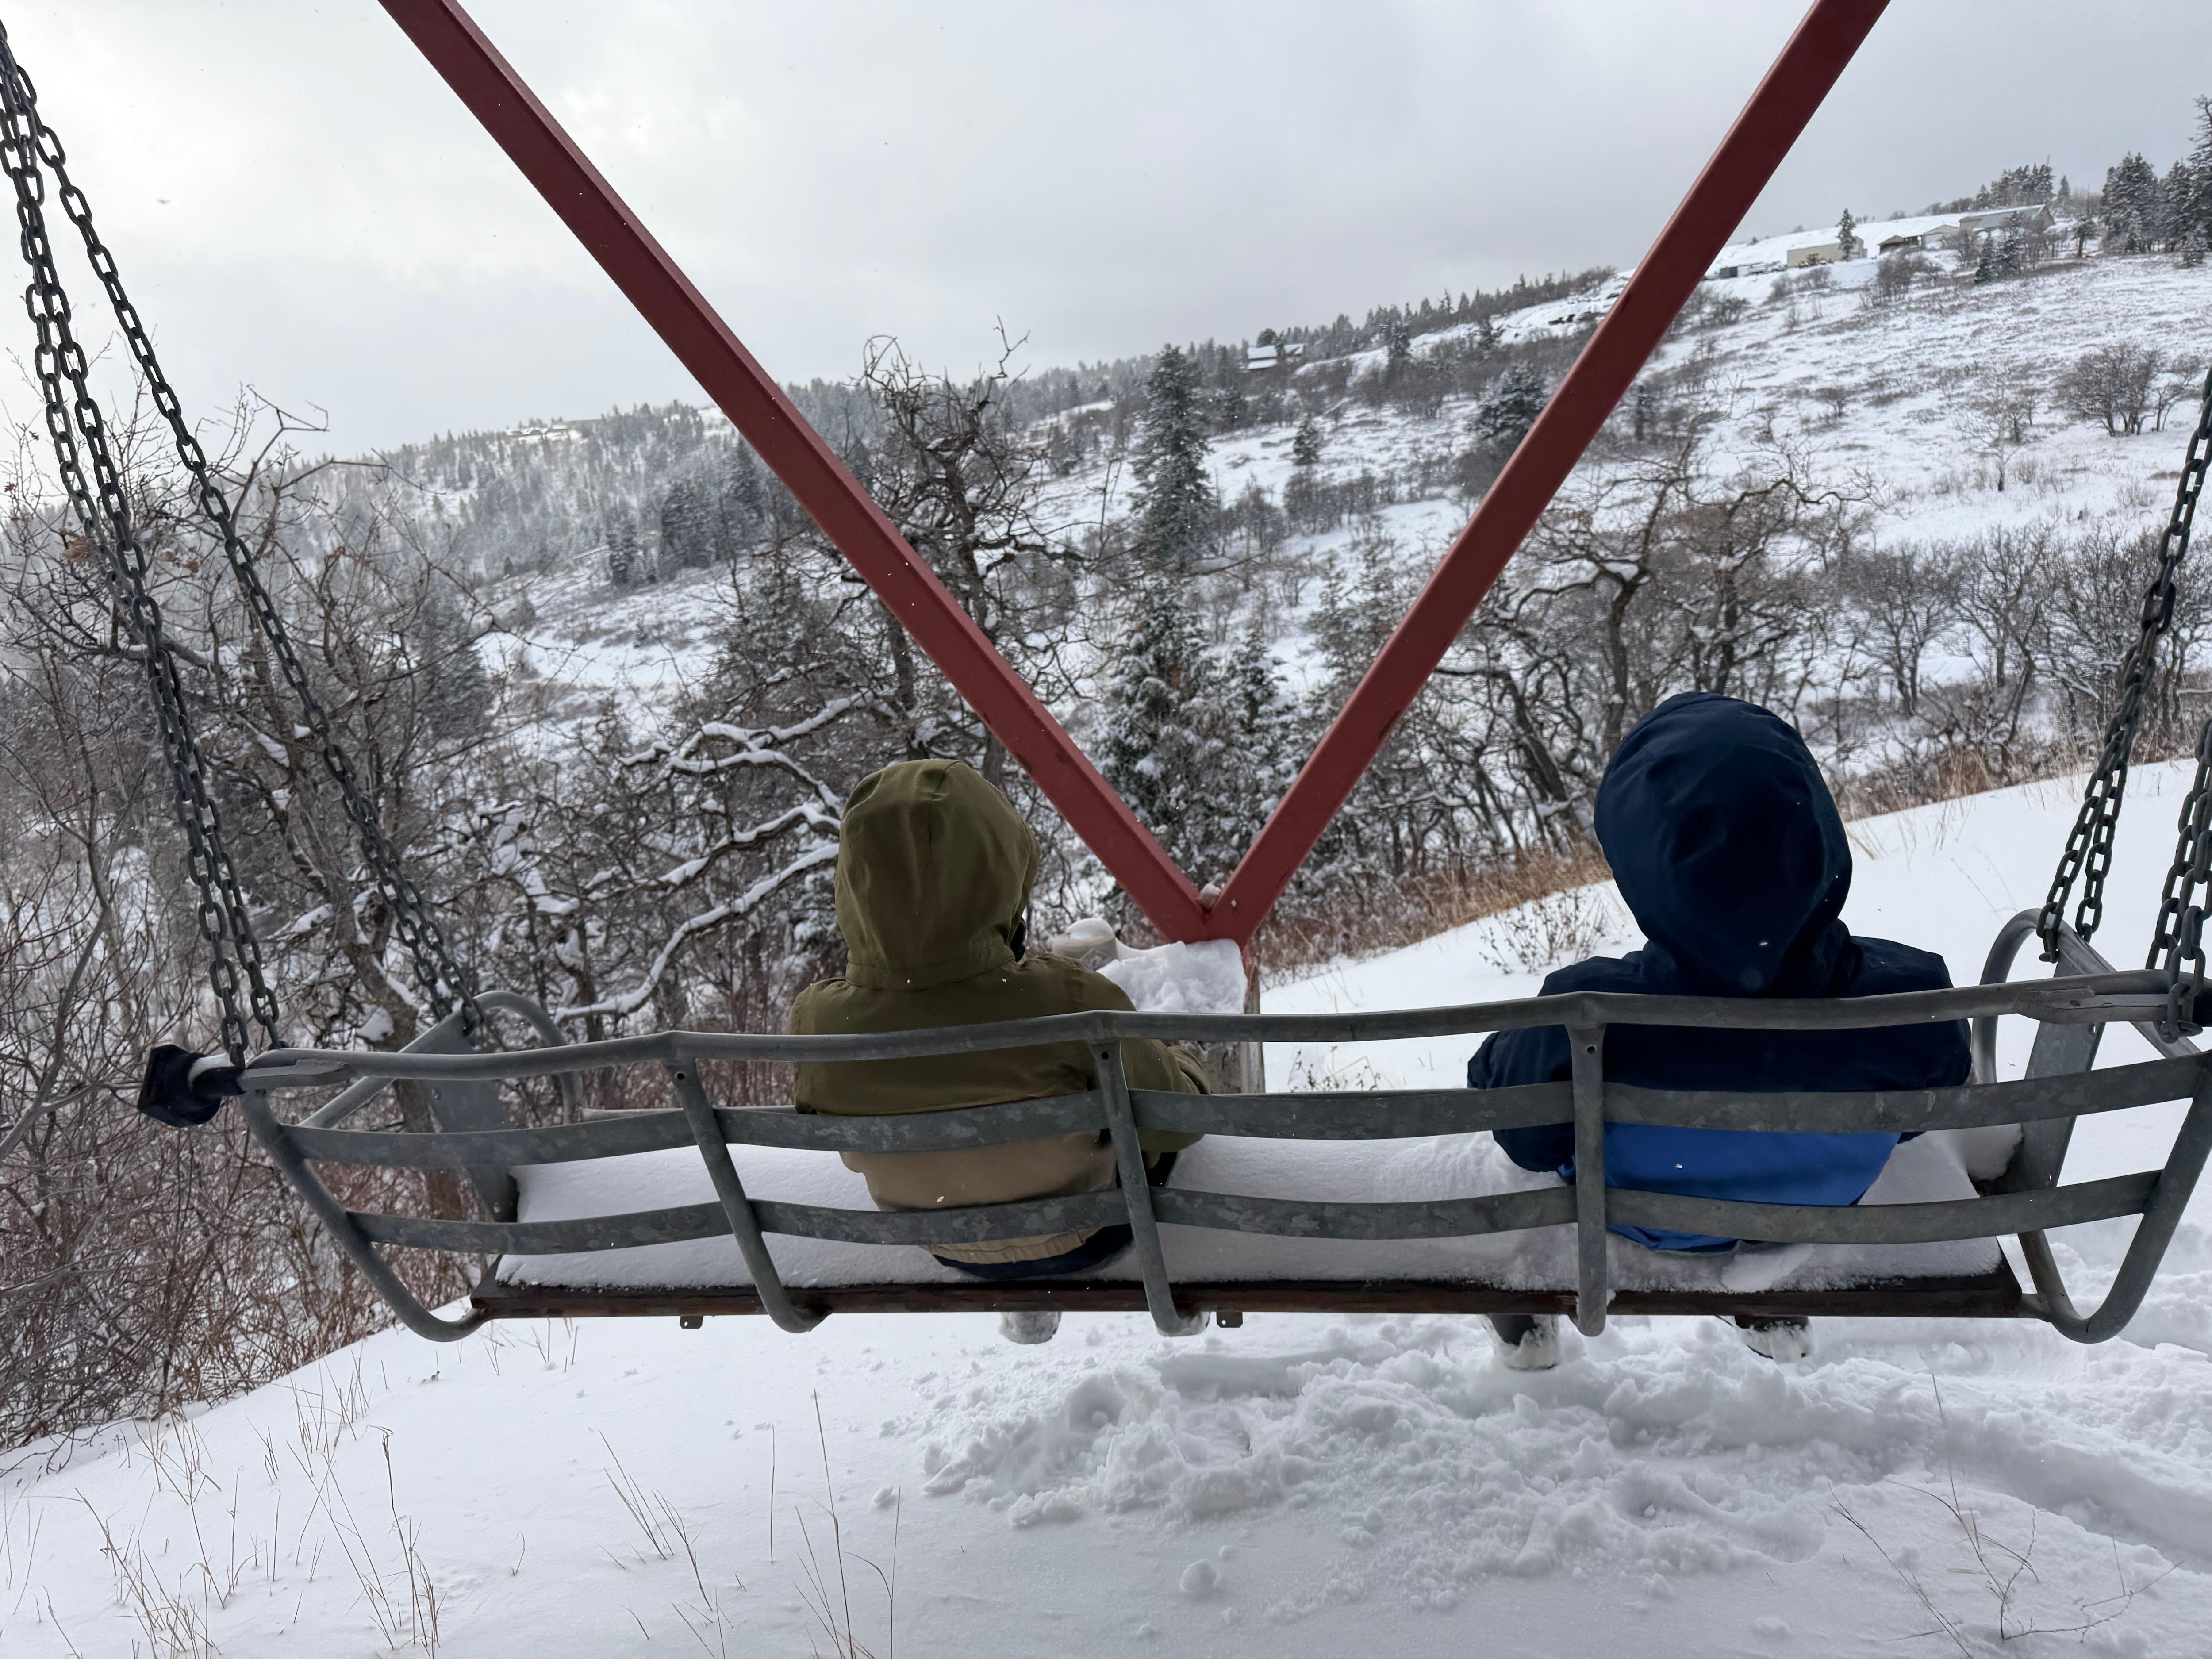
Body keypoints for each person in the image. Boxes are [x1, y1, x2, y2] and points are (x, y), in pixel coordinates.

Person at [1467, 693, 1969, 1368]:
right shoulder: (1907, 995)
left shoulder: (1585, 1011)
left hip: (1643, 1217)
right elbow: (1917, 1115)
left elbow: (1523, 1136)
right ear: (1817, 830)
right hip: (1818, 1202)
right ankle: (1769, 1266)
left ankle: (1526, 1318)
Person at [788, 758, 1208, 1344]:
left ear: (858, 882)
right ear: (999, 872)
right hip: (1088, 1233)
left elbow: (836, 1134)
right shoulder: (1065, 997)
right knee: (1141, 1132)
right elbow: (1178, 1119)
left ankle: (1024, 1298)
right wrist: (1185, 1062)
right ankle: (1181, 1299)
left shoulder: (819, 1020)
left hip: (942, 1239)